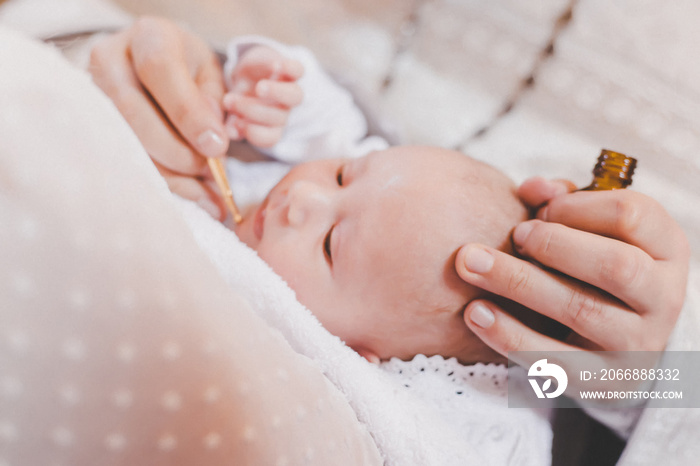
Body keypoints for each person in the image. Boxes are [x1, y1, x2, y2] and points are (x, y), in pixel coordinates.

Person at [89, 16, 690, 381]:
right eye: (345, 176)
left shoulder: (271, 321)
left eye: (328, 245)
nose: (303, 199)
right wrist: (272, 85)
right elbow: (338, 125)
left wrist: (662, 380)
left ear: (354, 350)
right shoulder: (301, 185)